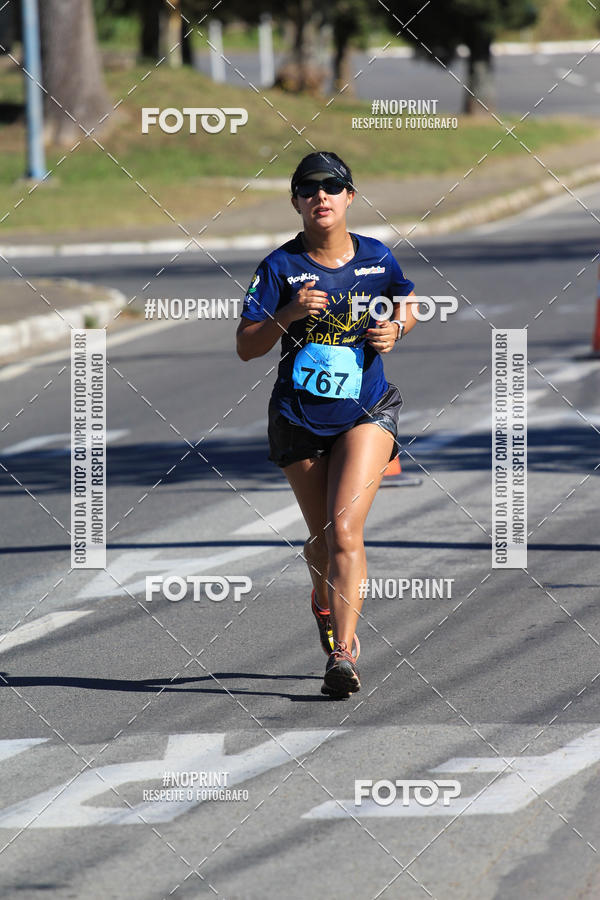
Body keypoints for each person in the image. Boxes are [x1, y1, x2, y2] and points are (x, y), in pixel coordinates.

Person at [236, 151, 418, 698]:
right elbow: (246, 346)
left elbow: (405, 299)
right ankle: (323, 601)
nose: (321, 196)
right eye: (309, 189)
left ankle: (342, 653)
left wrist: (398, 329)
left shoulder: (376, 258)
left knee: (343, 530)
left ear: (349, 199)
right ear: (295, 202)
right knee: (320, 541)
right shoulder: (279, 268)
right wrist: (286, 315)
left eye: (332, 187)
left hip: (366, 409)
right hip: (298, 419)